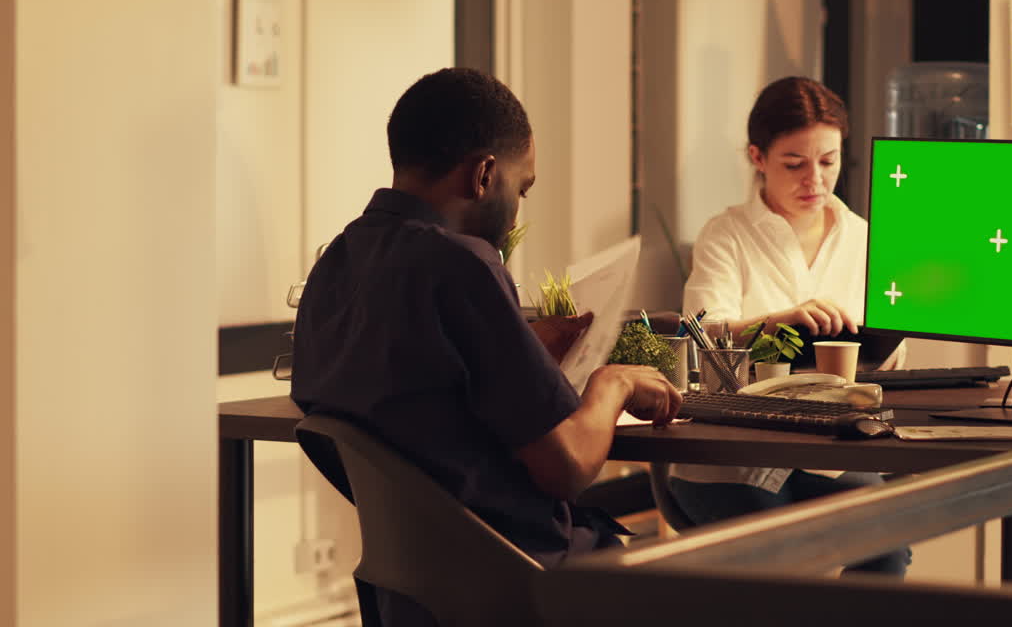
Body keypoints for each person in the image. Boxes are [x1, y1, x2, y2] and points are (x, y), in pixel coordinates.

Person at [290, 67, 682, 622]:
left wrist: (526, 353)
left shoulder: (337, 262)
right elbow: (566, 467)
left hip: (413, 587)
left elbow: (421, 402)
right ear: (484, 175)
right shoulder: (461, 263)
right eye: (522, 188)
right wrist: (612, 381)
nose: (519, 206)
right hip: (522, 577)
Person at [670, 75, 909, 576]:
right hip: (732, 457)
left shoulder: (864, 239)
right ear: (757, 158)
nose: (815, 181)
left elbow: (890, 360)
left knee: (887, 547)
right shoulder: (727, 234)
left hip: (830, 452)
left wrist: (874, 340)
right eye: (795, 164)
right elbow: (699, 336)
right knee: (779, 562)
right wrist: (776, 324)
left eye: (829, 162)